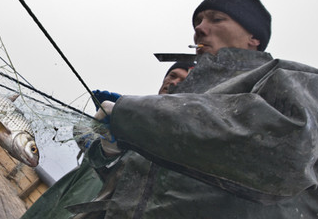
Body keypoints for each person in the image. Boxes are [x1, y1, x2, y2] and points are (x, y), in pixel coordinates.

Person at [66, 0, 318, 218]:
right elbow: (139, 191)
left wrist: (135, 115)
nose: (200, 29)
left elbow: (285, 151)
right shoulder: (180, 103)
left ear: (254, 38)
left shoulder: (293, 79)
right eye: (197, 22)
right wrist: (111, 154)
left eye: (216, 19)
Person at [21, 63, 194, 219]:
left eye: (183, 80)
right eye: (172, 75)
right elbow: (81, 132)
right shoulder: (127, 114)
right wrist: (102, 141)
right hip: (64, 197)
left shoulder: (180, 144)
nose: (174, 82)